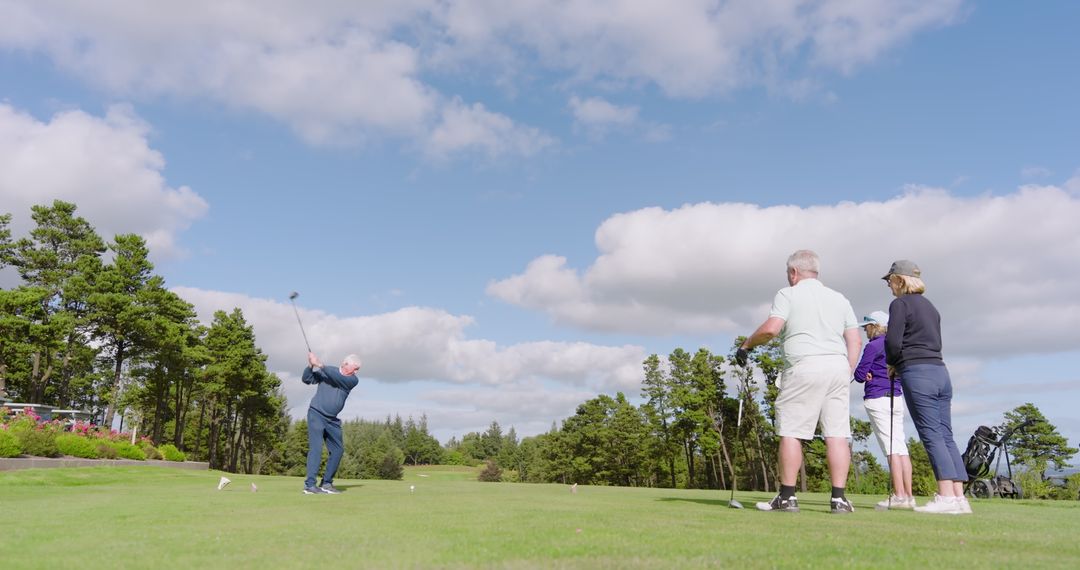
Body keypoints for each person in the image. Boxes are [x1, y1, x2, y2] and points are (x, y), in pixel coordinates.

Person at [738, 250, 862, 514]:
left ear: (793, 272)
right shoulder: (839, 298)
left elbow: (772, 328)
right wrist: (847, 370)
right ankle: (839, 499)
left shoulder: (788, 294)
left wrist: (747, 345)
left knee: (792, 431)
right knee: (837, 433)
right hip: (838, 367)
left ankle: (787, 497)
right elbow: (855, 340)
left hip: (805, 366)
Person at [882, 260, 971, 514]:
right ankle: (958, 498)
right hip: (941, 372)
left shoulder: (899, 304)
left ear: (900, 280)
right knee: (945, 433)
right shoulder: (931, 307)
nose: (889, 285)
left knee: (931, 433)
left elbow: (893, 341)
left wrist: (892, 363)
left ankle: (945, 497)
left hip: (917, 372)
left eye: (890, 280)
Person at [854, 310, 914, 509]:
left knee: (891, 450)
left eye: (867, 327)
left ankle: (898, 496)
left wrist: (868, 374)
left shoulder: (874, 345)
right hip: (896, 397)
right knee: (900, 447)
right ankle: (908, 496)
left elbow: (860, 374)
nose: (866, 331)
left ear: (876, 326)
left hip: (878, 398)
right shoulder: (897, 344)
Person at [301, 351, 361, 495]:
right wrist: (310, 365)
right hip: (316, 413)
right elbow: (307, 379)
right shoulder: (328, 371)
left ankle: (326, 483)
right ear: (345, 364)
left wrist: (320, 364)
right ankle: (310, 485)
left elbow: (337, 377)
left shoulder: (352, 380)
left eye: (358, 369)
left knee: (338, 450)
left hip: (332, 420)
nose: (357, 371)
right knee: (316, 448)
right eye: (355, 368)